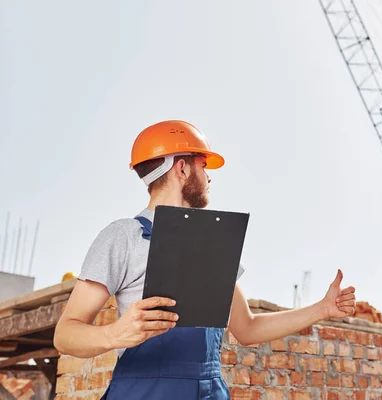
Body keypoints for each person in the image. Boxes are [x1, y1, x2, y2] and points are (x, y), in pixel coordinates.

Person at [53, 120, 357, 400]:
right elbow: (65, 335)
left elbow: (247, 328)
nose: (209, 176)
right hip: (144, 391)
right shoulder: (124, 236)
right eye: (203, 165)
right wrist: (114, 334)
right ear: (182, 169)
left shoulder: (215, 241)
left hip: (207, 391)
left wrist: (322, 309)